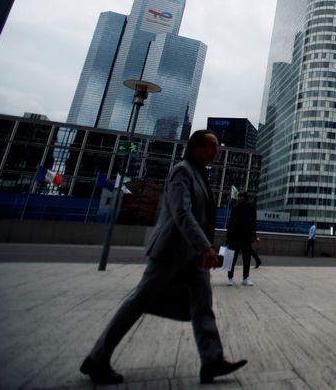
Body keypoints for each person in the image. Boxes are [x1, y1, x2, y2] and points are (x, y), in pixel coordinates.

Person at [80, 130, 247, 385]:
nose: (217, 151)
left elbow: (200, 217)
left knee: (202, 304)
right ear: (196, 147)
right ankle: (96, 359)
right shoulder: (182, 170)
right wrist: (205, 247)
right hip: (170, 251)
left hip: (192, 256)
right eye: (212, 146)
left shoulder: (200, 174)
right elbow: (182, 212)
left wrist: (203, 248)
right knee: (138, 302)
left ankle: (212, 361)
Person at [226, 192, 260, 286]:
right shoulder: (235, 208)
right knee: (232, 258)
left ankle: (245, 278)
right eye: (239, 197)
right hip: (235, 237)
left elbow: (253, 223)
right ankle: (230, 278)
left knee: (247, 259)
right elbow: (231, 221)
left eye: (242, 197)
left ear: (246, 198)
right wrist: (228, 236)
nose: (240, 198)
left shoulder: (252, 208)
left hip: (246, 237)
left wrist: (254, 236)